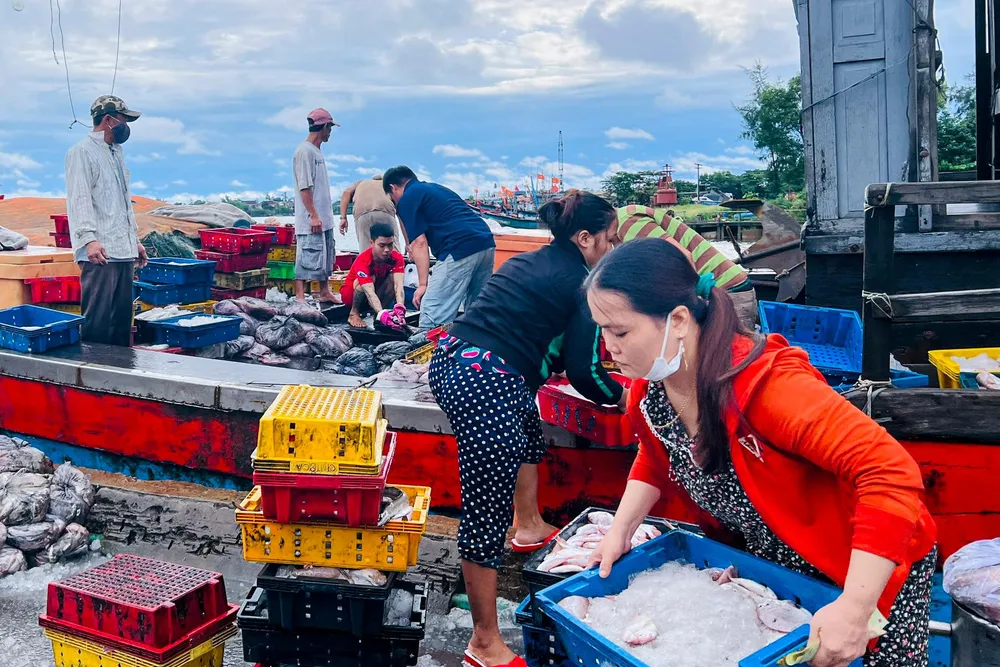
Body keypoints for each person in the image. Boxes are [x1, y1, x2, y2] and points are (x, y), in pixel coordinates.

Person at [584, 239, 938, 667]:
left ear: (677, 320)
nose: (609, 348)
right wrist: (619, 532)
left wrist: (855, 607)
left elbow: (888, 471)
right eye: (601, 329)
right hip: (778, 563)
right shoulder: (652, 389)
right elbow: (658, 454)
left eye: (619, 331)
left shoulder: (771, 389)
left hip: (866, 562)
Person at [429, 191, 625, 667]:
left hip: (457, 362)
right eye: (610, 238)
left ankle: (530, 524)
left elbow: (524, 326)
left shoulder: (530, 261)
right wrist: (624, 396)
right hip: (486, 381)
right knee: (485, 509)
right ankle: (484, 642)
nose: (614, 246)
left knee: (528, 434)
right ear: (584, 238)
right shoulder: (582, 282)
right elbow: (584, 370)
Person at [65, 94, 148, 346]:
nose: (127, 125)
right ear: (109, 120)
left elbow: (122, 202)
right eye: (124, 119)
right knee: (98, 322)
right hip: (100, 252)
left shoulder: (116, 152)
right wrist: (89, 240)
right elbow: (79, 199)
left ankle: (118, 376)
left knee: (121, 321)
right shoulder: (82, 152)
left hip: (122, 250)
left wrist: (134, 241)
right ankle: (92, 376)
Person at [383, 166, 496, 328]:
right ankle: (473, 347)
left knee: (433, 313)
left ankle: (431, 349)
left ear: (393, 188)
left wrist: (423, 285)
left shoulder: (407, 198)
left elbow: (420, 243)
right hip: (485, 243)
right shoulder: (435, 188)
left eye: (392, 197)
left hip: (459, 248)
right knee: (477, 310)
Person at [615, 204, 757, 327]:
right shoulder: (628, 217)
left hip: (726, 293)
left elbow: (680, 256)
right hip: (723, 290)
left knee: (727, 356)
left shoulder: (628, 222)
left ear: (591, 234)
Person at [292, 108, 339, 303]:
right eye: (330, 128)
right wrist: (313, 215)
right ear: (325, 126)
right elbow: (304, 186)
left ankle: (324, 291)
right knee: (307, 254)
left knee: (326, 254)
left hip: (324, 215)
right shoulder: (304, 151)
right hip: (311, 216)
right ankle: (300, 296)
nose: (330, 132)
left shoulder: (316, 151)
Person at [341, 222, 406, 329]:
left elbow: (399, 286)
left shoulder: (396, 258)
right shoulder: (363, 260)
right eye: (382, 245)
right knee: (370, 279)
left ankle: (379, 316)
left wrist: (400, 308)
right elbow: (369, 292)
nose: (387, 250)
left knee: (392, 279)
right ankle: (354, 314)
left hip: (375, 294)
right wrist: (382, 313)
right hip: (353, 296)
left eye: (390, 245)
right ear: (372, 243)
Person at [339, 174, 400, 252]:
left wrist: (343, 218)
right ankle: (396, 262)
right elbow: (400, 214)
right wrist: (408, 243)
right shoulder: (388, 185)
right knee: (392, 249)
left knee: (366, 251)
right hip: (386, 213)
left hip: (363, 215)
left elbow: (346, 192)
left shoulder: (360, 183)